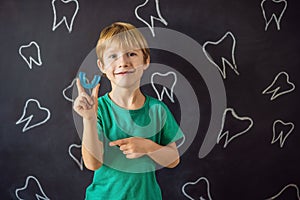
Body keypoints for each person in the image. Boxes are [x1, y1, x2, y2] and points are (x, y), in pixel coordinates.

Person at [73, 22, 184, 200]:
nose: (123, 62)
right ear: (102, 66)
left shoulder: (157, 110)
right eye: (113, 56)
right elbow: (93, 163)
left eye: (131, 54)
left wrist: (148, 147)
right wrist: (89, 119)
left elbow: (173, 159)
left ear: (146, 61)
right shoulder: (98, 110)